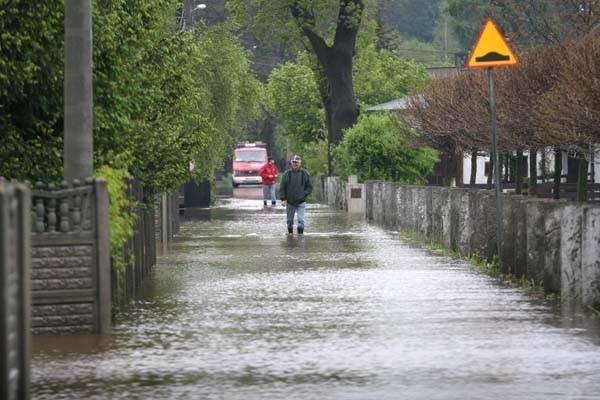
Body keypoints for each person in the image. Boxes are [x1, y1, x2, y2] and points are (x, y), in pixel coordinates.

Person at [280, 155, 312, 234]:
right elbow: (282, 187)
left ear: (300, 163)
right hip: (290, 202)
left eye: (296, 162)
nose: (295, 164)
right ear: (291, 163)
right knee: (289, 221)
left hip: (301, 201)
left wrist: (304, 194)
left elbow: (309, 187)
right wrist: (283, 199)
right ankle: (290, 236)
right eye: (293, 162)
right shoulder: (286, 174)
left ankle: (300, 239)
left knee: (301, 221)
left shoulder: (305, 174)